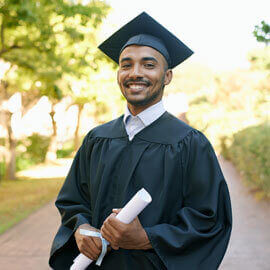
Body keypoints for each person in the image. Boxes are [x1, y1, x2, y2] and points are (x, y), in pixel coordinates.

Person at [49, 12, 232, 270]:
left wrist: (147, 238)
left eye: (148, 65)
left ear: (167, 76)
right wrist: (81, 228)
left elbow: (209, 219)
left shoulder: (190, 143)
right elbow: (73, 201)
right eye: (126, 65)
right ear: (118, 73)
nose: (135, 73)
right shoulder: (97, 139)